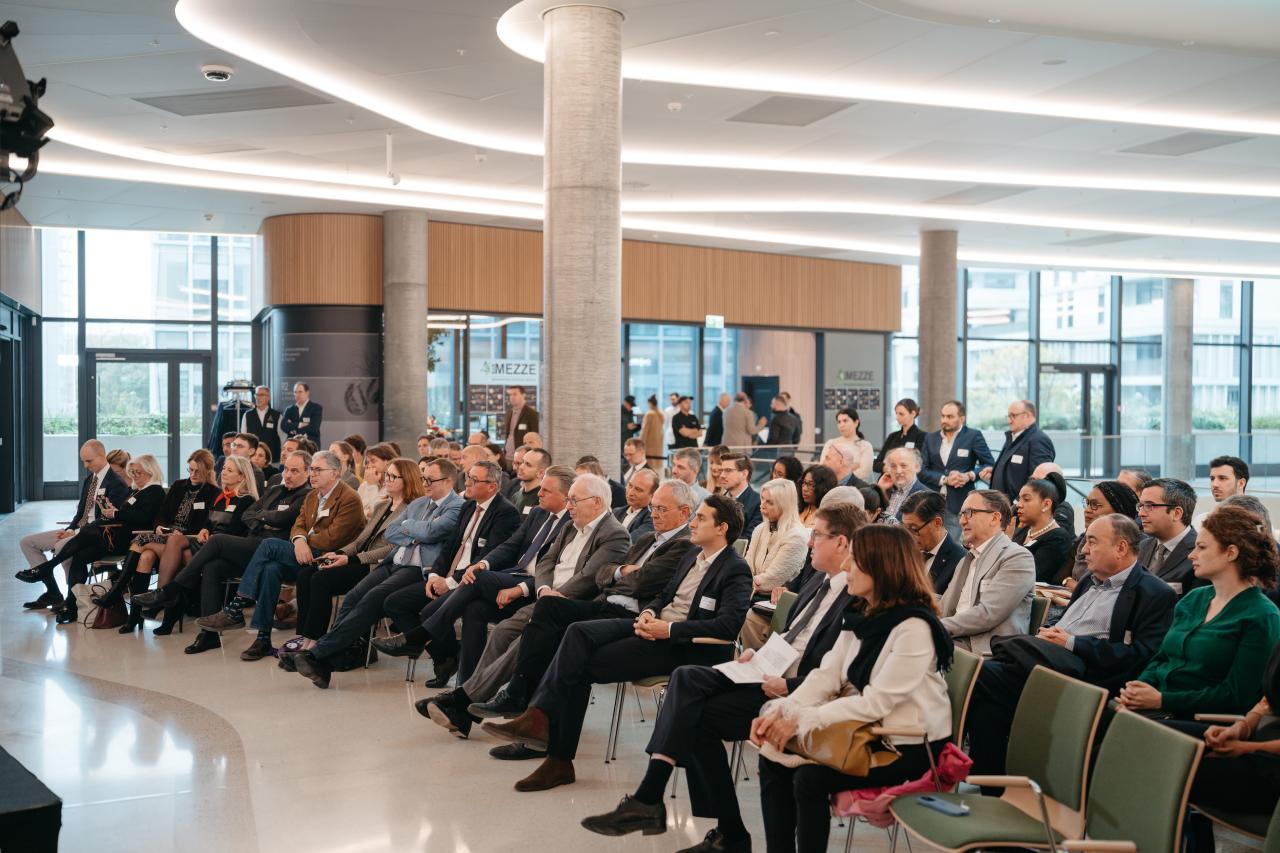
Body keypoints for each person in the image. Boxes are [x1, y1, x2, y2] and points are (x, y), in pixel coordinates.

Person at [580, 504, 868, 848]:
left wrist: (787, 683)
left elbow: (845, 674)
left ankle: (688, 815)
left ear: (842, 543)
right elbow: (793, 636)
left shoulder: (856, 596)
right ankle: (666, 804)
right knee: (687, 680)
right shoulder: (817, 582)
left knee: (696, 713)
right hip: (768, 672)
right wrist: (758, 656)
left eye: (816, 536)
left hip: (799, 691)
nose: (809, 543)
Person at [482, 494, 751, 793]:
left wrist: (670, 629)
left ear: (721, 528)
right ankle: (539, 720)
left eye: (701, 518)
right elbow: (664, 596)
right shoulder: (691, 555)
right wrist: (650, 612)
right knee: (577, 633)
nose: (693, 522)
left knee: (579, 664)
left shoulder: (735, 569)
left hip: (688, 647)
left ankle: (552, 748)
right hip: (653, 627)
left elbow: (728, 626)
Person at [752, 524, 953, 853]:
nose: (845, 566)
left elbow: (876, 702)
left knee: (809, 779)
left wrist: (800, 719)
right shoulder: (863, 613)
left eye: (854, 560)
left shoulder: (914, 627)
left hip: (908, 743)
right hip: (868, 730)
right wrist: (780, 712)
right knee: (772, 755)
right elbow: (826, 677)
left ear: (881, 566)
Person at [450, 480, 698, 732]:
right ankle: (518, 702)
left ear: (685, 512)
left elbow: (639, 582)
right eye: (653, 507)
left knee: (550, 629)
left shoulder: (683, 544)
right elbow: (602, 574)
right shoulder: (646, 538)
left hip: (629, 614)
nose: (654, 514)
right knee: (543, 610)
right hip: (603, 602)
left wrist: (617, 574)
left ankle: (515, 704)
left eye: (662, 509)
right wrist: (621, 571)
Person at [966, 513, 1176, 778]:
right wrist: (1054, 635)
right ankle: (992, 784)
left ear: (1120, 548)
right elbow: (1066, 625)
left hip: (1085, 678)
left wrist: (1072, 643)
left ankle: (965, 772)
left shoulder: (1153, 593)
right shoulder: (1089, 580)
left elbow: (1141, 657)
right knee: (987, 695)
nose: (1083, 551)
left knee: (978, 675)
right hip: (1048, 664)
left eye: (1092, 542)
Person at [286, 458, 464, 683]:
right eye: (423, 479)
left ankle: (318, 655)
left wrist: (409, 528)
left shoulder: (456, 506)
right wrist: (415, 531)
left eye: (430, 479)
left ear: (448, 481)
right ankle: (330, 658)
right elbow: (391, 534)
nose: (425, 483)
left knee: (372, 600)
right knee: (352, 598)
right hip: (392, 562)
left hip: (417, 568)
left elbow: (430, 533)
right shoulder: (419, 504)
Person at [131, 450, 314, 651]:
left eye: (294, 471)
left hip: (271, 549)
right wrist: (264, 520)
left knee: (217, 541)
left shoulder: (306, 495)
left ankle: (171, 589)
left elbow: (282, 518)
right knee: (212, 566)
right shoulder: (274, 490)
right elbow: (248, 515)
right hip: (251, 546)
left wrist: (262, 518)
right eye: (286, 469)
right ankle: (209, 635)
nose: (287, 475)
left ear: (307, 472)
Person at [194, 449, 365, 661]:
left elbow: (333, 538)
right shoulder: (313, 496)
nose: (313, 474)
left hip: (329, 556)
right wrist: (299, 541)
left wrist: (303, 542)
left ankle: (236, 607)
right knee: (270, 568)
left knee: (269, 545)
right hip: (303, 553)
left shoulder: (349, 498)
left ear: (335, 472)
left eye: (318, 470)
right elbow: (299, 525)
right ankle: (263, 639)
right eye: (312, 469)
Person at [1116, 506, 1280, 719]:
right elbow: (1163, 658)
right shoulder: (1194, 599)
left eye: (1201, 547)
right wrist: (1137, 691)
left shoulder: (1263, 616)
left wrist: (1162, 700)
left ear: (1231, 553)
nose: (1192, 555)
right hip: (1158, 708)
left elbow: (1237, 696)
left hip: (1200, 720)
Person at [371, 460, 524, 684]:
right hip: (449, 576)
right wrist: (435, 575)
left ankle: (429, 650)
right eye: (468, 477)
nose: (467, 483)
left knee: (432, 610)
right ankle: (447, 656)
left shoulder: (505, 513)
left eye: (474, 479)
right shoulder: (468, 506)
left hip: (474, 580)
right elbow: (450, 548)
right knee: (395, 602)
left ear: (492, 486)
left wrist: (451, 582)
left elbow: (491, 558)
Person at [290, 457, 422, 651]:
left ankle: (315, 641)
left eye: (394, 476)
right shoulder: (382, 506)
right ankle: (304, 637)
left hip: (376, 566)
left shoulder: (412, 510)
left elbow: (393, 548)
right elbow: (360, 541)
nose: (387, 479)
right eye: (387, 475)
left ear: (408, 480)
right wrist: (339, 553)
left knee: (321, 579)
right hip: (357, 558)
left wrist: (351, 559)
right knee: (305, 575)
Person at [25, 454, 166, 625]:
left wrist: (116, 513)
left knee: (90, 530)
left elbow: (144, 518)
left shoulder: (155, 490)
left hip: (128, 538)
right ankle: (71, 604)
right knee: (79, 556)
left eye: (139, 473)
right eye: (133, 472)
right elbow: (123, 513)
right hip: (112, 536)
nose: (135, 476)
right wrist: (112, 510)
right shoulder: (135, 490)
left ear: (151, 472)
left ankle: (48, 567)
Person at [1173, 641, 1280, 853]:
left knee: (1171, 768)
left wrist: (1245, 748)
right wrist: (1240, 728)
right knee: (1156, 740)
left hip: (1271, 771)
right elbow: (1266, 702)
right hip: (1258, 744)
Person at [83, 451, 217, 617]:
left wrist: (178, 531)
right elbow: (162, 514)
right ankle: (137, 612)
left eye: (197, 471)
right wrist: (160, 526)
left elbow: (205, 524)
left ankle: (121, 593)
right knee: (146, 556)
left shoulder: (212, 492)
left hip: (188, 539)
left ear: (207, 471)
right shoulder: (178, 485)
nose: (193, 475)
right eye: (190, 470)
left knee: (141, 540)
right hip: (166, 535)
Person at [18, 440, 133, 610]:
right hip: (77, 530)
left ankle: (72, 599)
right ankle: (53, 593)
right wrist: (71, 529)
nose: (86, 465)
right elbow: (80, 512)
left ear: (102, 456)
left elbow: (108, 520)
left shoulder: (116, 483)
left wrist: (76, 532)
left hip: (96, 534)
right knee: (27, 542)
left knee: (62, 547)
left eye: (89, 461)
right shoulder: (90, 480)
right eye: (83, 461)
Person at [938, 490, 1036, 655]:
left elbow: (987, 614)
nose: (962, 521)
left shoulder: (1017, 557)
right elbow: (945, 606)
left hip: (985, 650)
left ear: (995, 518)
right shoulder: (967, 560)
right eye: (961, 514)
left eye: (969, 513)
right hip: (956, 639)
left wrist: (937, 627)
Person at [737, 479, 812, 648]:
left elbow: (772, 580)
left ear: (784, 504)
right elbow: (746, 567)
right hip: (751, 592)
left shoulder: (796, 537)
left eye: (769, 502)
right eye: (762, 499)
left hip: (772, 601)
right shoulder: (760, 529)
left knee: (738, 612)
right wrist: (744, 580)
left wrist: (744, 582)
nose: (762, 505)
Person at [920, 399, 993, 541]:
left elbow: (989, 464)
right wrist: (945, 479)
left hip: (959, 502)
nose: (944, 420)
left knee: (952, 544)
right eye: (943, 416)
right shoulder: (930, 438)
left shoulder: (973, 436)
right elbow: (921, 470)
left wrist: (969, 476)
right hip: (932, 500)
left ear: (962, 419)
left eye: (949, 416)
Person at [979, 399, 1056, 503]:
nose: (1009, 421)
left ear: (1028, 416)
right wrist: (997, 471)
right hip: (1001, 507)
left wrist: (1017, 503)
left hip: (1017, 511)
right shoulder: (1013, 437)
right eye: (1008, 416)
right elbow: (1016, 470)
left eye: (1013, 416)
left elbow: (1039, 480)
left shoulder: (1039, 440)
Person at [1066, 480, 1140, 586]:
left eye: (1095, 505)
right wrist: (1068, 581)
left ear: (1118, 511)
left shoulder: (1135, 544)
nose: (1087, 510)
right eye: (1087, 504)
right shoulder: (1083, 539)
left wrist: (1075, 586)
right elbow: (1059, 576)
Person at [1137, 478, 1199, 593]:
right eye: (1140, 506)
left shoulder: (1200, 550)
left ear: (1176, 513)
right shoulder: (1141, 547)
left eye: (1149, 506)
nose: (1141, 513)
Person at [900, 490, 967, 594]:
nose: (908, 536)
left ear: (937, 523)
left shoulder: (960, 560)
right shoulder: (903, 550)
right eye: (904, 528)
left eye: (914, 529)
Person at [1011, 478, 1075, 583]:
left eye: (1026, 499)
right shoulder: (1024, 530)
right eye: (1019, 499)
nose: (1019, 504)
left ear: (1046, 504)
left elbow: (1031, 575)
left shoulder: (1058, 537)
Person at [873, 398, 927, 475]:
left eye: (901, 414)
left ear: (913, 414)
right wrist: (886, 468)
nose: (897, 417)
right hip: (887, 480)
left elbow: (919, 464)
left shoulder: (922, 437)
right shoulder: (892, 436)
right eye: (896, 413)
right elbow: (876, 464)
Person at [716, 453, 762, 539]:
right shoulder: (716, 501)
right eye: (721, 471)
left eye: (728, 470)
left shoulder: (759, 503)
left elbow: (747, 540)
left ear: (744, 474)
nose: (722, 475)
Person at [877, 447, 930, 521]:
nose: (898, 471)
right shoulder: (884, 491)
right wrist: (879, 489)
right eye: (893, 466)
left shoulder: (928, 497)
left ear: (917, 467)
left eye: (903, 466)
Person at [822, 408, 873, 481]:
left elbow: (864, 472)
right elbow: (823, 468)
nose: (841, 425)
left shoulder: (865, 445)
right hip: (831, 486)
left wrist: (839, 474)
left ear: (856, 422)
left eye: (845, 421)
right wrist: (853, 467)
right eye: (839, 422)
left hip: (857, 488)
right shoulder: (831, 443)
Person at [242, 385, 282, 462]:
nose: (258, 397)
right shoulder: (247, 415)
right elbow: (244, 438)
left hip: (272, 458)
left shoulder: (277, 415)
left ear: (269, 397)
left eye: (262, 395)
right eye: (257, 395)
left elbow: (282, 438)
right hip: (253, 458)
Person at [504, 446, 549, 515]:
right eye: (523, 462)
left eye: (528, 464)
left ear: (540, 473)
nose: (521, 467)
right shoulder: (515, 496)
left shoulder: (543, 499)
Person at [615, 467, 658, 539]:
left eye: (638, 490)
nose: (630, 492)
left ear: (652, 495)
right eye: (630, 485)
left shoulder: (653, 518)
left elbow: (630, 542)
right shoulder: (616, 512)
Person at [500, 386, 539, 455]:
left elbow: (535, 436)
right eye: (510, 395)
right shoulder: (509, 414)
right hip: (507, 455)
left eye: (515, 394)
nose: (512, 397)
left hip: (523, 457)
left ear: (523, 395)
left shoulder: (531, 414)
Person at [359, 443, 397, 514]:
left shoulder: (393, 485)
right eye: (367, 462)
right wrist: (367, 512)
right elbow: (355, 510)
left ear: (387, 462)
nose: (369, 466)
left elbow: (377, 513)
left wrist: (372, 485)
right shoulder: (364, 485)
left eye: (373, 461)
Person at [640, 395, 665, 471]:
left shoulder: (649, 414)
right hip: (658, 443)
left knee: (649, 466)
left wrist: (640, 442)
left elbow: (645, 430)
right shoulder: (661, 414)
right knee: (657, 466)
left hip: (649, 443)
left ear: (650, 403)